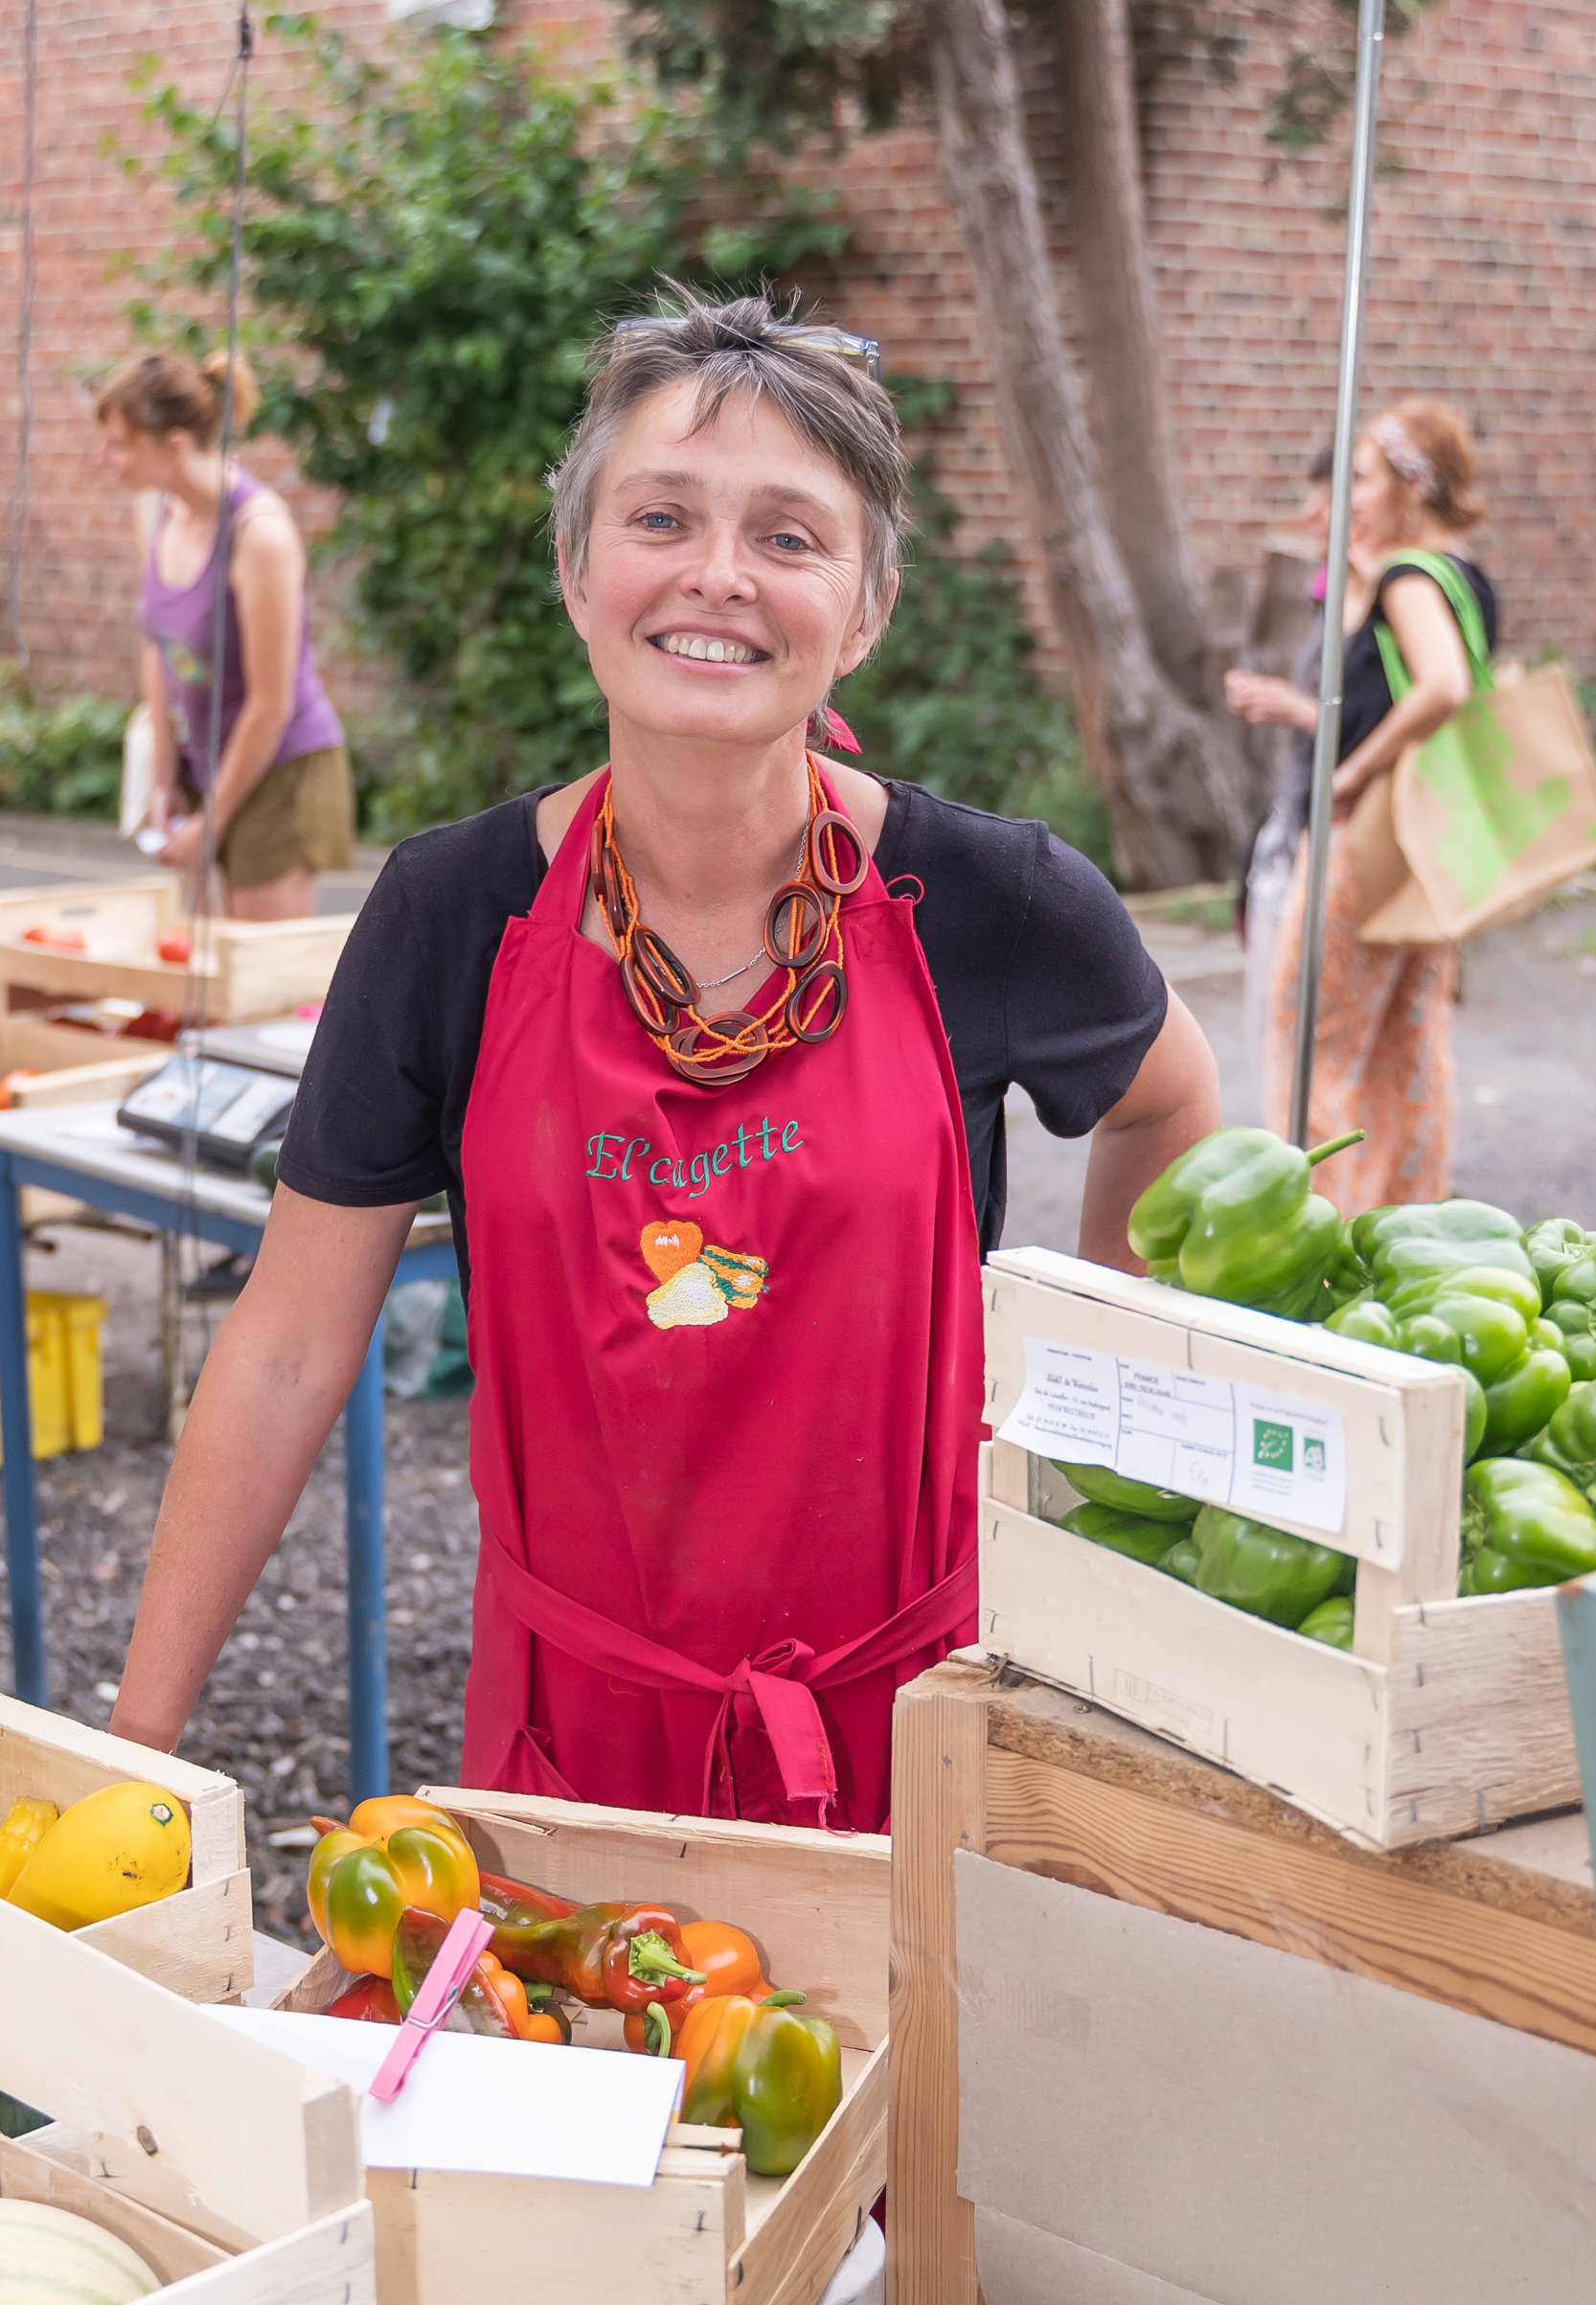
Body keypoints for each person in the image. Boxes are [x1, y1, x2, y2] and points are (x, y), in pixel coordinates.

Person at [109, 292, 1220, 1840]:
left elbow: (1169, 1096)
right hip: (568, 1752)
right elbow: (288, 1348)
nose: (716, 576)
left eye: (787, 534)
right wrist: (138, 1752)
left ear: (865, 603)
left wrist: (1094, 1420)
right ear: (579, 573)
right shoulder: (448, 918)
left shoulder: (993, 903)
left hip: (922, 1744)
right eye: (661, 517)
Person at [1260, 399, 1493, 1216]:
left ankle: (1306, 1222)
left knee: (1308, 1040)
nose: (1347, 497)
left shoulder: (1406, 577)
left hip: (1373, 842)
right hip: (1436, 842)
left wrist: (1347, 773)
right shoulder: (1463, 577)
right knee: (1411, 1040)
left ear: (1408, 486)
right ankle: (1406, 1217)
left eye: (1360, 479)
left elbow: (1442, 687)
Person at [97, 351, 355, 921]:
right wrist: (163, 776)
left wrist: (213, 818)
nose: (105, 459)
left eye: (120, 444)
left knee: (258, 985)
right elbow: (157, 645)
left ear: (174, 445)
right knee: (199, 974)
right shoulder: (159, 512)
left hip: (280, 766)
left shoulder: (260, 535)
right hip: (204, 764)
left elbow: (271, 706)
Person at [1225, 444, 1374, 1115]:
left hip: (1346, 837)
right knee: (1272, 1024)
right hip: (1291, 821)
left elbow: (1385, 725)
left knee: (1310, 1032)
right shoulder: (1329, 593)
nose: (1311, 513)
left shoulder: (1391, 599)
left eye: (1332, 495)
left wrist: (1294, 708)